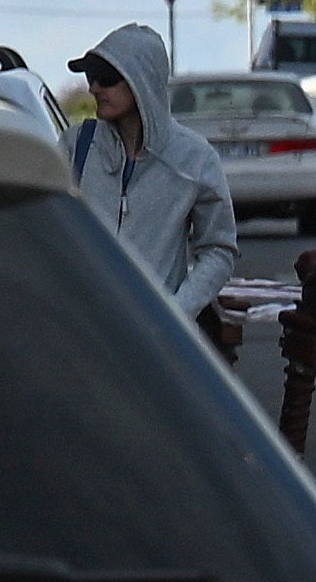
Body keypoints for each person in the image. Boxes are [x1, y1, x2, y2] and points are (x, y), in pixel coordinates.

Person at [65, 19, 236, 345]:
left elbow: (219, 249)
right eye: (91, 77)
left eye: (107, 78)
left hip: (153, 342)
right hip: (79, 335)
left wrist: (177, 311)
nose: (94, 88)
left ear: (141, 81)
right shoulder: (76, 146)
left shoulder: (194, 158)